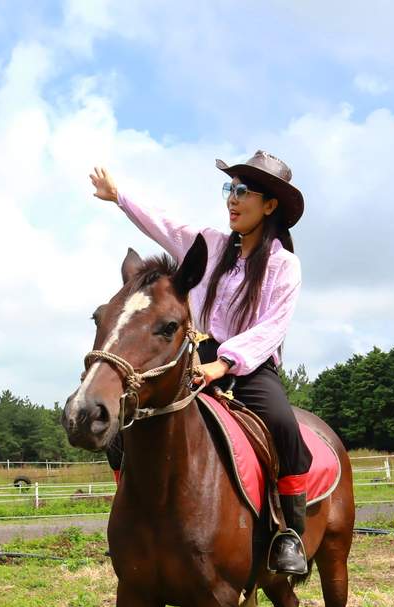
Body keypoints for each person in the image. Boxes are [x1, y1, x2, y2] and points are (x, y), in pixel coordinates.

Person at [90, 151, 314, 577]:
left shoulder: (285, 265)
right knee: (126, 423)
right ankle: (131, 515)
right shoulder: (210, 244)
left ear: (270, 205)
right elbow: (165, 224)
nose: (232, 199)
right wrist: (119, 196)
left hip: (249, 366)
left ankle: (290, 535)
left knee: (284, 425)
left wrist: (224, 364)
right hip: (194, 357)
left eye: (243, 191)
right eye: (230, 188)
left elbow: (273, 327)